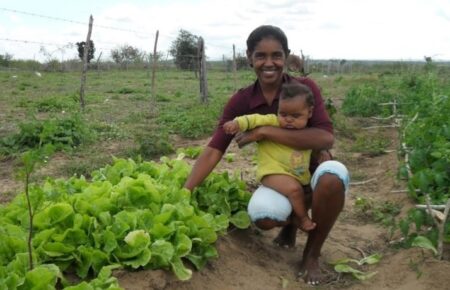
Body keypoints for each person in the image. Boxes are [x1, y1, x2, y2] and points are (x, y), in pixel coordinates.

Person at [184, 25, 349, 285]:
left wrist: (264, 132)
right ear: (249, 57)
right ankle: (293, 224)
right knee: (264, 216)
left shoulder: (304, 89)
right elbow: (215, 148)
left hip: (313, 171)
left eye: (276, 55)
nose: (269, 63)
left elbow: (324, 137)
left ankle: (311, 255)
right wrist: (186, 190)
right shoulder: (241, 101)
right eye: (261, 55)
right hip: (282, 176)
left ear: (286, 56)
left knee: (333, 177)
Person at [223, 83, 317, 232]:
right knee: (294, 190)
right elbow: (254, 119)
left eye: (295, 116)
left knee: (306, 191)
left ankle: (291, 220)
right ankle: (303, 219)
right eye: (283, 114)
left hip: (296, 175)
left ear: (310, 112)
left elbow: (321, 143)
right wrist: (237, 123)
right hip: (272, 173)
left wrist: (324, 152)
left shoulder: (309, 133)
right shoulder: (273, 122)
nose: (288, 120)